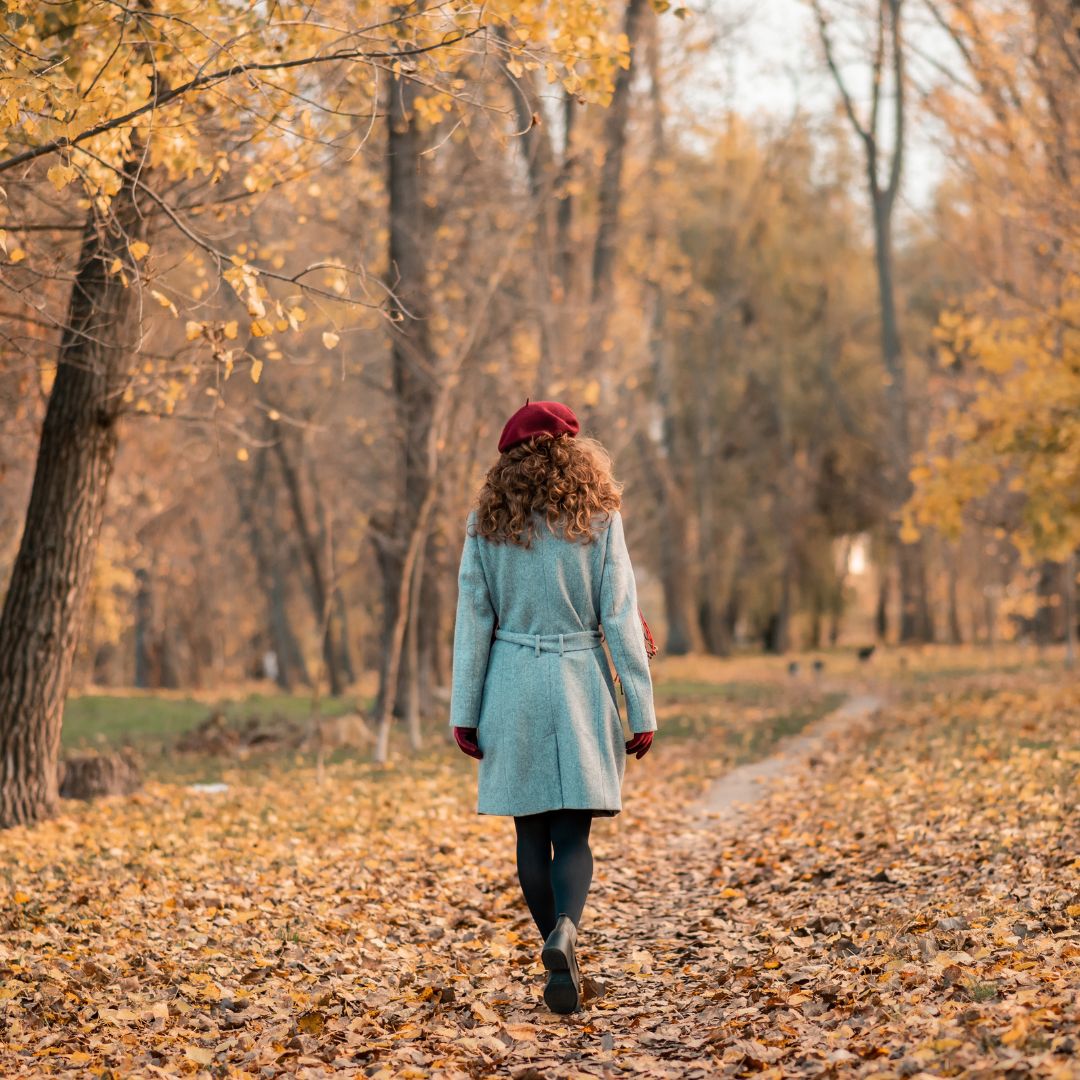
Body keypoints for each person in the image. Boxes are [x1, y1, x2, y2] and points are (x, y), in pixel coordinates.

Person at [448, 399, 658, 1015]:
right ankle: (567, 933)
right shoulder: (598, 517)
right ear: (575, 454)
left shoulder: (486, 523)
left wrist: (465, 709)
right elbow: (618, 613)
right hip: (579, 682)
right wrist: (640, 706)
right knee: (573, 834)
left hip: (511, 682)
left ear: (508, 459)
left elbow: (473, 621)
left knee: (529, 832)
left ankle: (553, 946)